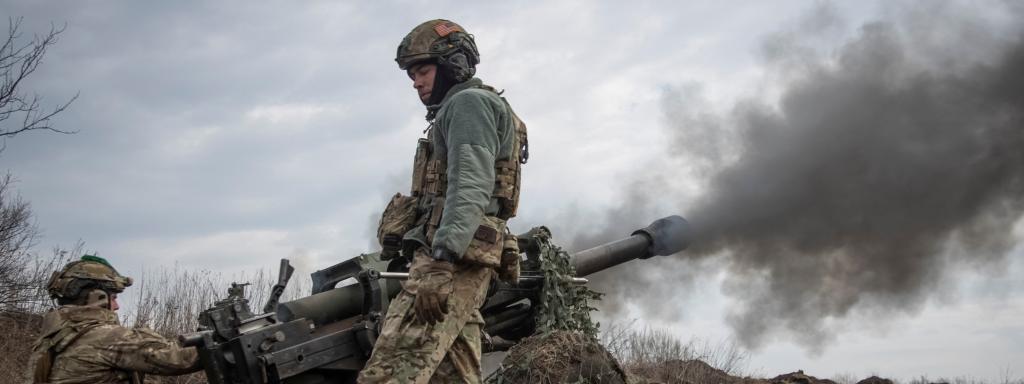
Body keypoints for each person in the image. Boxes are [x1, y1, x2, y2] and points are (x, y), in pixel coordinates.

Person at [358, 19, 528, 384]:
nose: (416, 82)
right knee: (450, 375)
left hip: (452, 260)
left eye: (423, 71)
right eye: (412, 76)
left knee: (390, 372)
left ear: (453, 64)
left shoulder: (468, 104)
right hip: (464, 257)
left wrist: (442, 261)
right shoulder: (475, 105)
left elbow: (471, 184)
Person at [25, 255, 201, 384]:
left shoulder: (53, 339)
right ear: (97, 297)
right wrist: (222, 336)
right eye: (114, 297)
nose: (116, 306)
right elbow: (176, 358)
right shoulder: (103, 337)